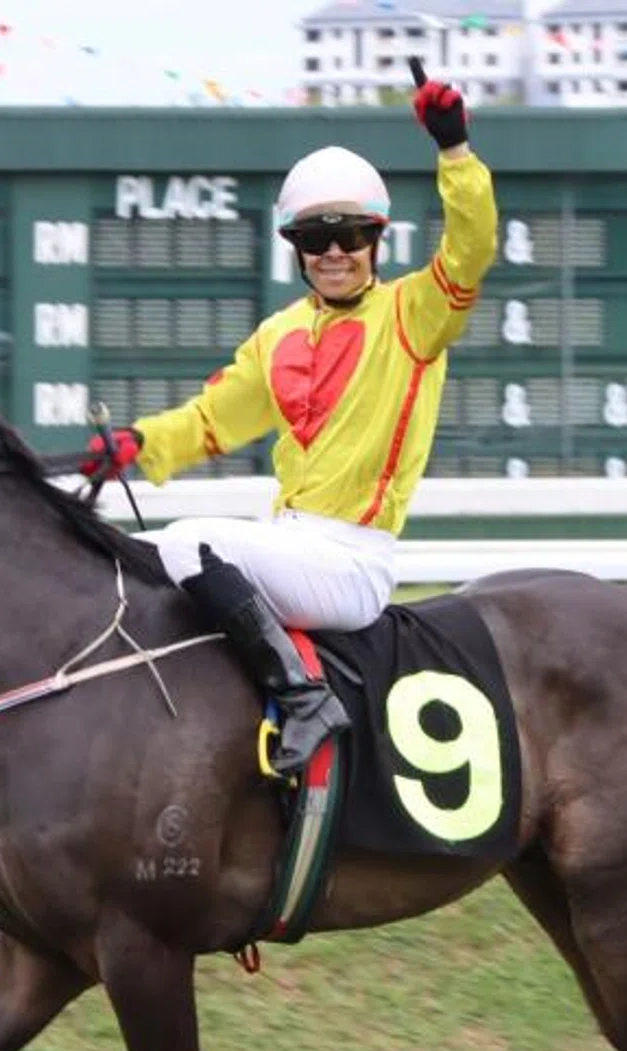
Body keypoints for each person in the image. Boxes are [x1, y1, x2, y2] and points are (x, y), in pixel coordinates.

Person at [81, 60, 498, 780]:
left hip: (352, 560)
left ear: (377, 239)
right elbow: (212, 419)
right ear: (296, 249)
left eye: (349, 234)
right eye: (315, 238)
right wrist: (137, 442)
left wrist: (454, 151)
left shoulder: (413, 316)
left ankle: (305, 699)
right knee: (142, 558)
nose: (333, 251)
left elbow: (471, 247)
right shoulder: (277, 335)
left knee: (186, 547)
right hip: (291, 544)